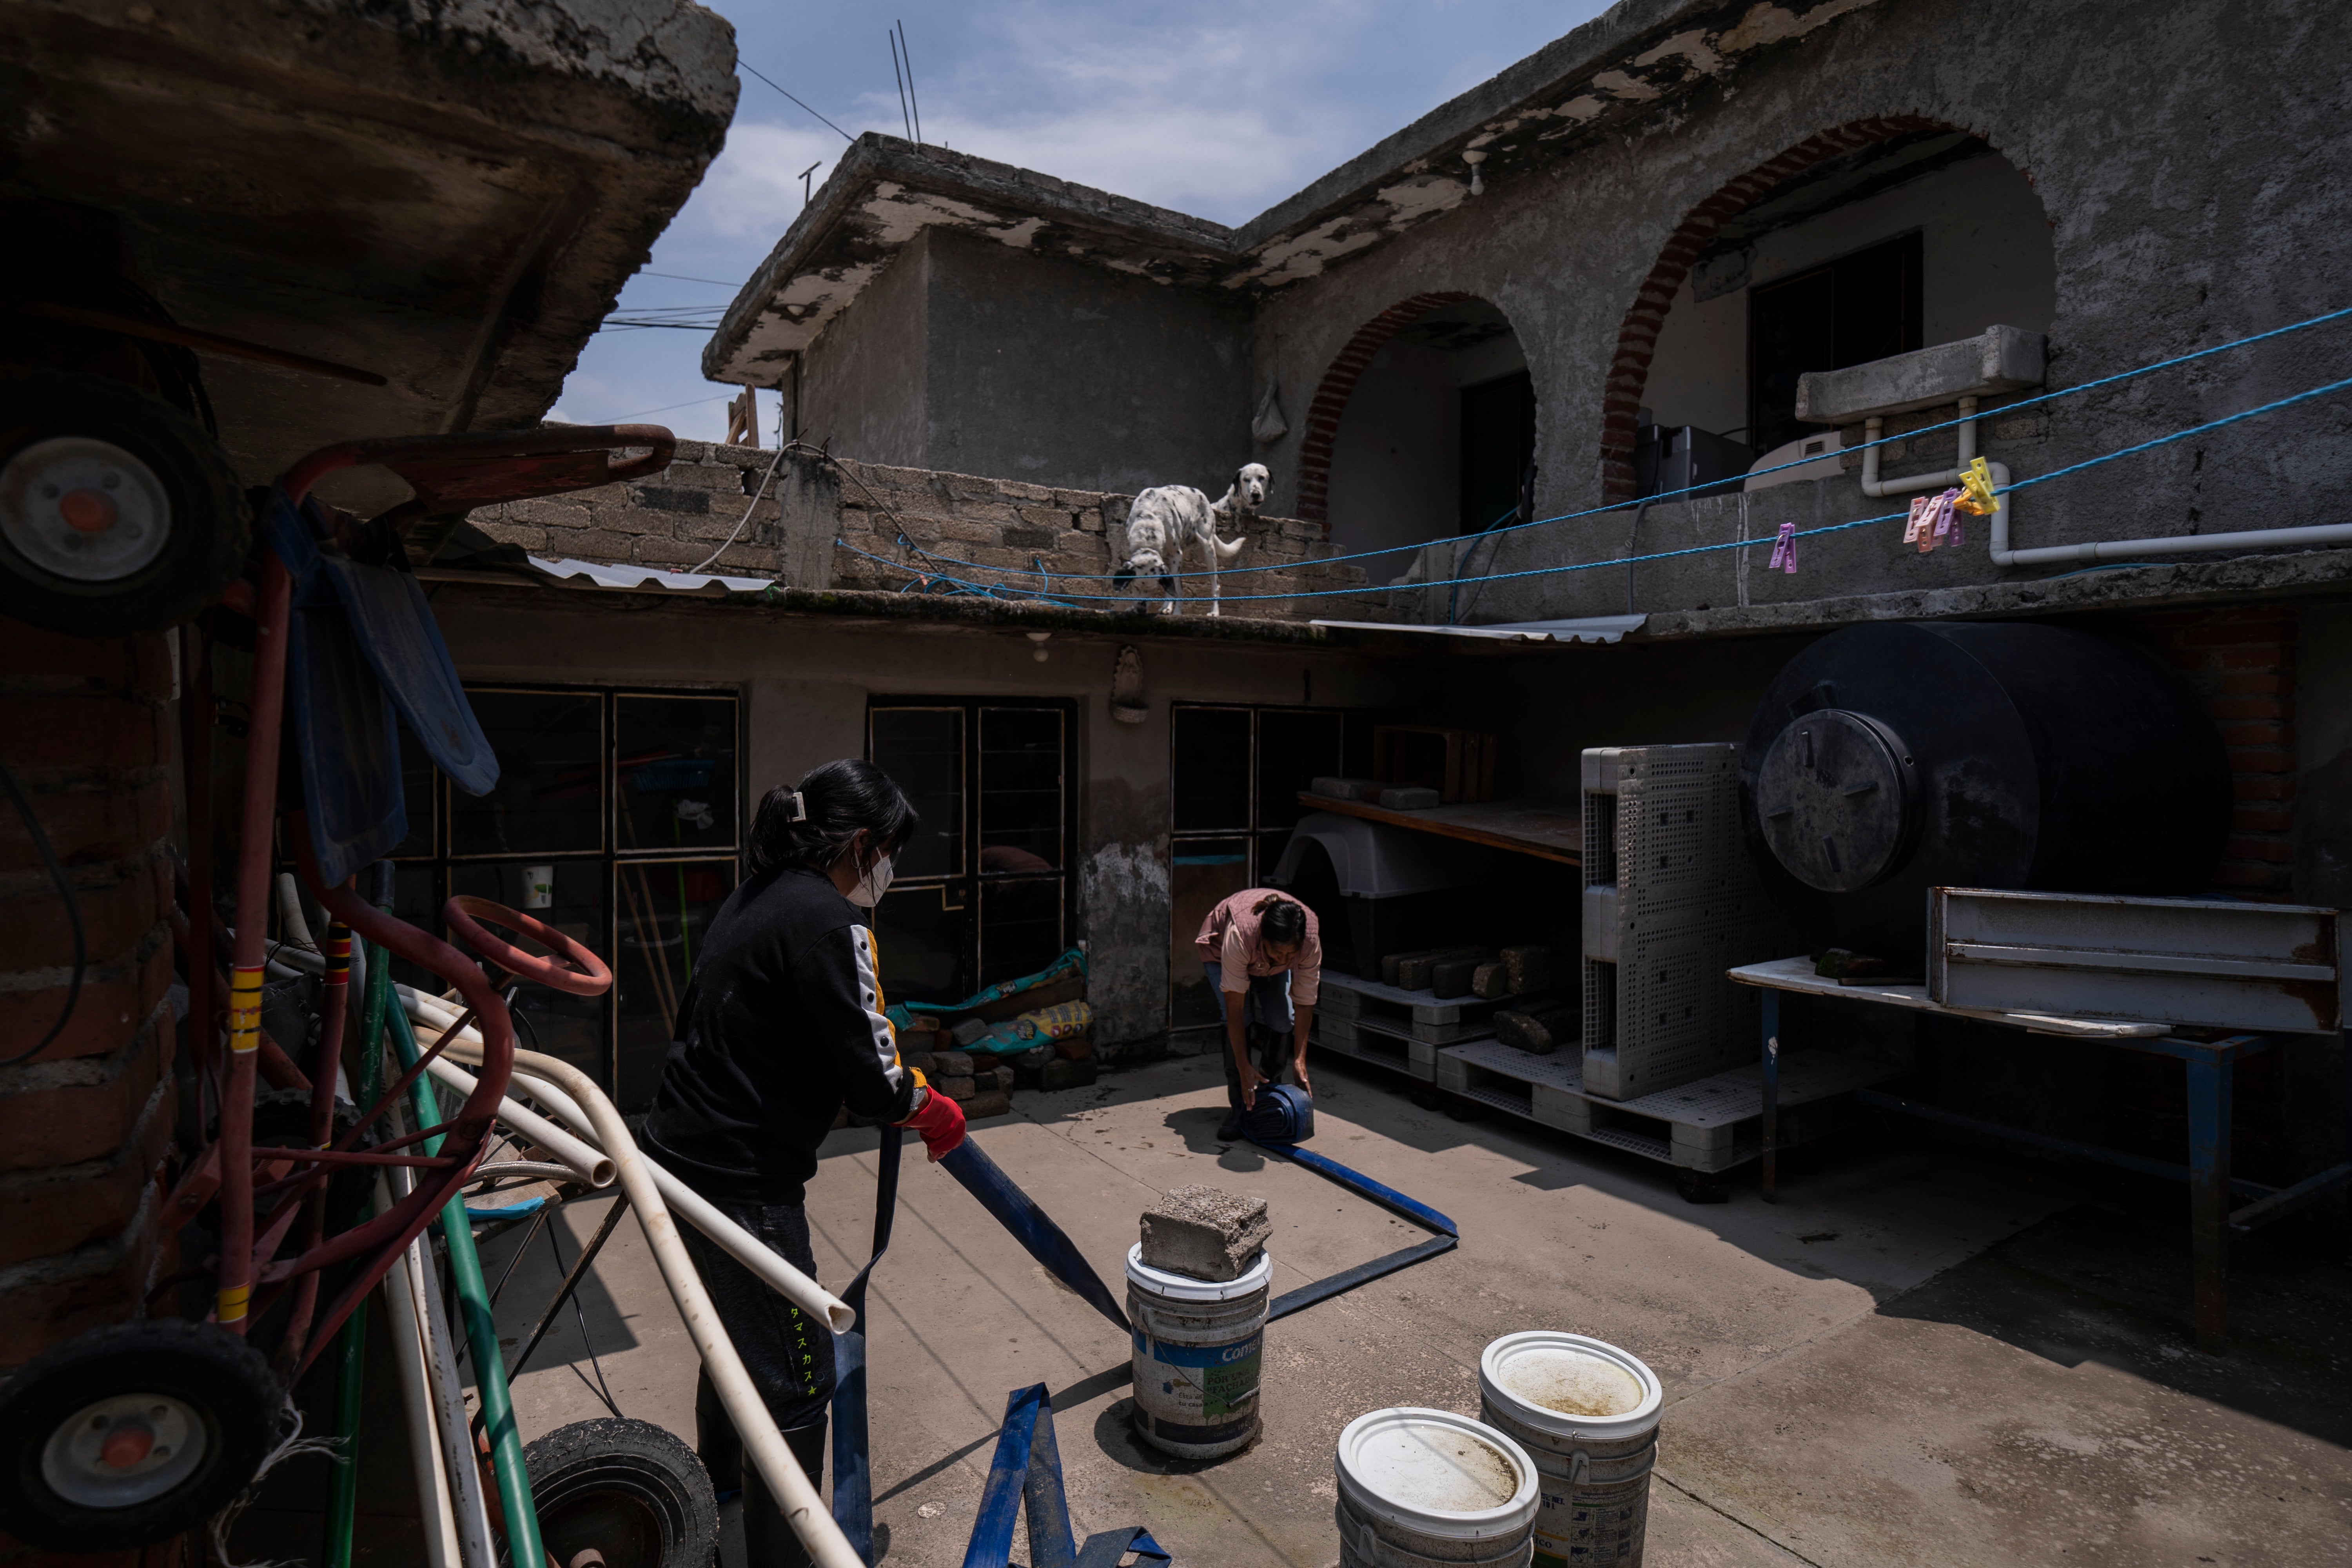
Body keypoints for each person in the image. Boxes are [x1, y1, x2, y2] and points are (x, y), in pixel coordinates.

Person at [639, 759, 965, 1568]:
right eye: (890, 850)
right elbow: (872, 1071)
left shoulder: (753, 898)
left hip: (677, 1157)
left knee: (729, 1343)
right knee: (795, 1375)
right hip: (746, 1180)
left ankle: (718, 1499)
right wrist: (928, 1104)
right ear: (863, 842)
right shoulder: (830, 920)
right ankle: (782, 1551)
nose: (889, 870)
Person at [1195, 887, 1320, 1141]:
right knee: (1243, 1017)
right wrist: (1244, 1066)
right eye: (1278, 952)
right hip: (1221, 952)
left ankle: (1267, 1096)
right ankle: (1240, 1106)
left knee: (1282, 1020)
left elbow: (1305, 1001)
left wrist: (1300, 1058)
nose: (1284, 958)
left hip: (1265, 962)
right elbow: (1236, 1009)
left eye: (1290, 954)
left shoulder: (1308, 939)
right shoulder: (1241, 935)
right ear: (1263, 937)